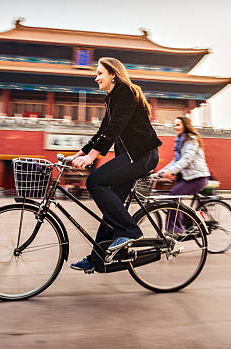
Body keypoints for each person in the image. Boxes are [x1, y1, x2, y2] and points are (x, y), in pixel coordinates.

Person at [68, 57, 162, 272]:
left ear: (113, 74)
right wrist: (79, 154)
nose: (96, 77)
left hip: (142, 155)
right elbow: (102, 132)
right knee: (112, 210)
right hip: (132, 156)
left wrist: (91, 157)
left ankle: (130, 231)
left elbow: (115, 128)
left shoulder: (125, 92)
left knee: (95, 182)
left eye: (100, 73)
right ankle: (98, 259)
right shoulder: (111, 98)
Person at [156, 116, 211, 233]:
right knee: (174, 199)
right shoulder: (180, 139)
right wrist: (159, 173)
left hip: (198, 177)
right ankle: (184, 224)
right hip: (187, 177)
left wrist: (171, 171)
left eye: (178, 125)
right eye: (174, 125)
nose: (175, 127)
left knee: (173, 195)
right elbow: (176, 161)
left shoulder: (191, 139)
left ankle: (175, 230)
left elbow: (187, 159)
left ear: (185, 125)